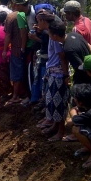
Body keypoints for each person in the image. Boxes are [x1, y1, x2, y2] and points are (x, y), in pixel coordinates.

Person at [36, 10, 69, 141]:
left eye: (39, 21)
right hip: (53, 71)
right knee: (51, 102)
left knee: (58, 103)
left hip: (58, 74)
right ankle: (55, 126)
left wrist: (65, 75)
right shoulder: (50, 34)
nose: (38, 23)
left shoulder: (54, 37)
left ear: (44, 21)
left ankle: (61, 131)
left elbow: (62, 57)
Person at [3, 0, 26, 105]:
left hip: (16, 49)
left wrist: (4, 50)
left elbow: (7, 35)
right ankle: (23, 93)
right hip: (26, 48)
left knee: (16, 72)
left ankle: (15, 96)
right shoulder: (25, 14)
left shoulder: (11, 17)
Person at [15, 0, 34, 105]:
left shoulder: (20, 15)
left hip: (29, 47)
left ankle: (30, 97)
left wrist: (22, 48)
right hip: (32, 46)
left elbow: (23, 33)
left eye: (16, 4)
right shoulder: (28, 13)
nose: (15, 6)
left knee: (28, 73)